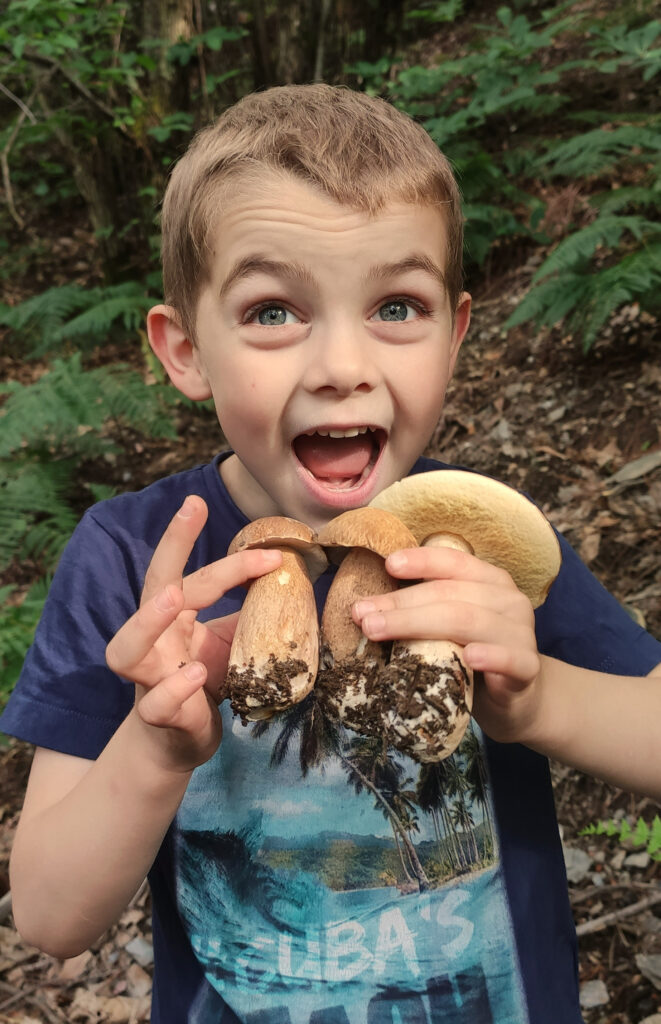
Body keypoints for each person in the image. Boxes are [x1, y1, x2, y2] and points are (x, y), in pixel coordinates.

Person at [2, 84, 660, 1024]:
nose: (344, 362)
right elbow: (50, 916)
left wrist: (543, 699)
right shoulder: (126, 558)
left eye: (398, 305)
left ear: (454, 334)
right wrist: (153, 746)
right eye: (273, 311)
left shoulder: (468, 539)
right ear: (185, 349)